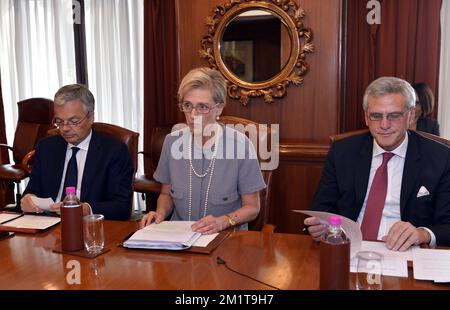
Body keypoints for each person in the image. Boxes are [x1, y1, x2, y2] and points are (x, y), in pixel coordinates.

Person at [305, 77, 450, 251]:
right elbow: (322, 209)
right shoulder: (343, 151)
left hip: (407, 254)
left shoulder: (440, 157)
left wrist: (423, 234)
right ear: (366, 117)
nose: (384, 125)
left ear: (410, 115)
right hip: (348, 250)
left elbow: (447, 224)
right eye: (376, 116)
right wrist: (319, 227)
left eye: (394, 116)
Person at [140, 67, 266, 234]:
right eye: (187, 105)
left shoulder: (241, 146)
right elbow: (166, 194)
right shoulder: (172, 142)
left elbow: (252, 207)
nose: (192, 115)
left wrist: (223, 221)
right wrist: (160, 213)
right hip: (179, 238)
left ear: (219, 108)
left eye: (202, 107)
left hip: (226, 239)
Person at [21, 84, 134, 220]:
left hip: (88, 226)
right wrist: (28, 199)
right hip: (47, 223)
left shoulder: (113, 152)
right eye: (59, 121)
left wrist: (88, 209)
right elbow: (32, 191)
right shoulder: (46, 148)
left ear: (91, 117)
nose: (65, 128)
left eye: (73, 121)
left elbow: (121, 207)